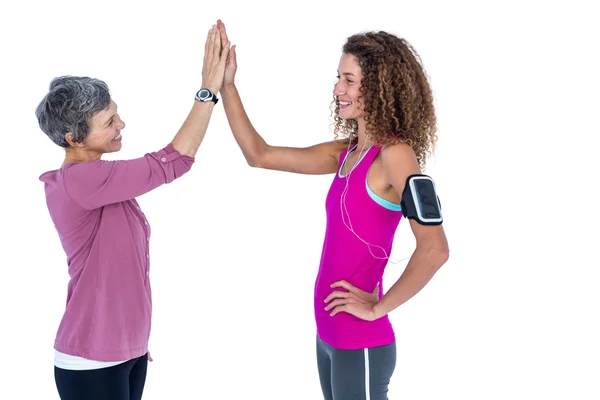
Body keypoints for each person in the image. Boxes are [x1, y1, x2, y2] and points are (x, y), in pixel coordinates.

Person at [217, 20, 449, 399]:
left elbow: (436, 249)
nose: (338, 89)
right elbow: (259, 155)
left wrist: (378, 308)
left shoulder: (395, 155)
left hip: (362, 341)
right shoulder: (347, 152)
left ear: (378, 87)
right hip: (329, 336)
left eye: (349, 80)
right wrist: (227, 86)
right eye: (339, 78)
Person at [36, 25, 230, 400]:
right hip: (91, 361)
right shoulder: (83, 181)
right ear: (74, 139)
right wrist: (208, 89)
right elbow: (172, 162)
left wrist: (131, 342)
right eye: (109, 122)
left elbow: (118, 270)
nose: (121, 125)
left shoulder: (104, 182)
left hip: (127, 350)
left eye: (116, 114)